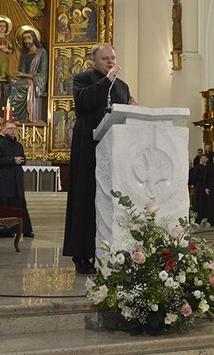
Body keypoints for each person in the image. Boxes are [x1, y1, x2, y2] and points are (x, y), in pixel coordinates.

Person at [63, 43, 138, 275]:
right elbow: (84, 102)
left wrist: (134, 108)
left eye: (113, 58)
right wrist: (106, 81)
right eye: (105, 58)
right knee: (86, 197)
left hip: (115, 150)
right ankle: (83, 253)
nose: (110, 62)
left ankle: (112, 250)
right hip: (88, 148)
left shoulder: (123, 86)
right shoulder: (83, 79)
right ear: (94, 61)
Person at [0, 121, 34, 238]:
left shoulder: (18, 145)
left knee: (20, 204)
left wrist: (22, 160)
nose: (13, 131)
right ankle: (5, 230)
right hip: (5, 180)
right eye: (10, 129)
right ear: (4, 130)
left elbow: (23, 158)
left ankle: (25, 229)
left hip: (16, 180)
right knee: (5, 204)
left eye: (14, 129)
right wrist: (12, 160)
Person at [4, 29, 48, 123]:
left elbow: (43, 74)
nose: (27, 41)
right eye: (24, 39)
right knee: (6, 87)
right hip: (25, 81)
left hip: (35, 82)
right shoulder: (24, 55)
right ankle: (7, 116)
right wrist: (15, 77)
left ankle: (16, 117)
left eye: (29, 38)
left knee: (14, 87)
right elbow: (22, 72)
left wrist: (24, 75)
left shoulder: (42, 53)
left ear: (34, 39)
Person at [193, 154, 209, 222]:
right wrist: (205, 178)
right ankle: (198, 218)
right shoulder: (197, 167)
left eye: (205, 158)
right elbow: (196, 176)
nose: (204, 159)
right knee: (199, 201)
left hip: (206, 186)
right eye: (202, 158)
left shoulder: (208, 167)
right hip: (200, 185)